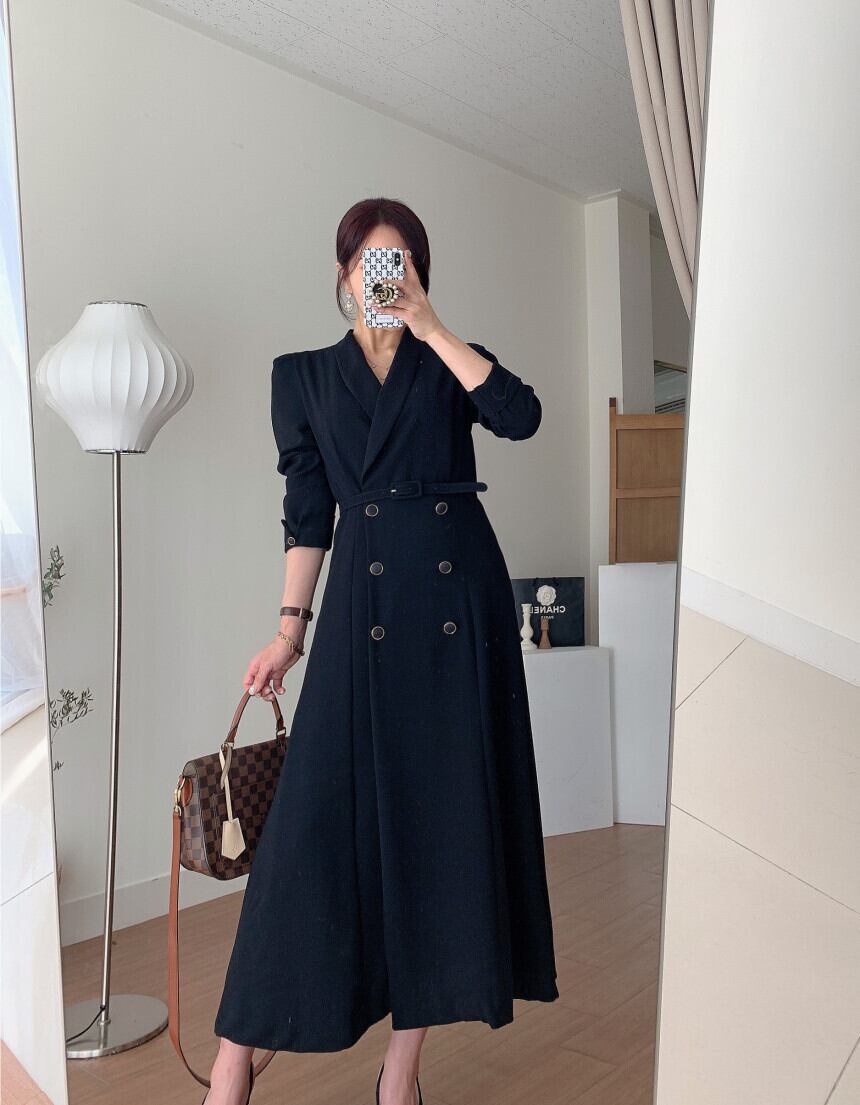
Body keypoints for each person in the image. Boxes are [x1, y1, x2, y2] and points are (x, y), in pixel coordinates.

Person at [205, 198, 558, 1105]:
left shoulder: (449, 361)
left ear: (419, 274)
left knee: (439, 834)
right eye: (369, 259)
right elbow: (307, 513)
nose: (382, 273)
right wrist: (289, 630)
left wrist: (433, 327)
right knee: (305, 837)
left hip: (454, 609)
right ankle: (233, 1059)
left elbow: (522, 417)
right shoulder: (302, 377)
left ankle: (399, 1075)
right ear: (342, 274)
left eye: (399, 260)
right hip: (360, 610)